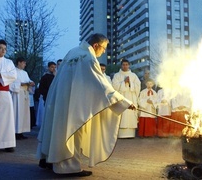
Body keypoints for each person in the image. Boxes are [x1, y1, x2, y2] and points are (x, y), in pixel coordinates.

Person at [36, 33, 135, 177]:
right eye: (103, 48)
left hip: (59, 99)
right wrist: (124, 102)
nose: (103, 52)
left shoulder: (73, 52)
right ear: (96, 46)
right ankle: (67, 167)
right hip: (74, 103)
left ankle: (48, 159)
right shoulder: (88, 58)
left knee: (56, 128)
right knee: (75, 129)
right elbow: (101, 86)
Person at [112, 59, 141, 138]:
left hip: (131, 97)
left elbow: (138, 86)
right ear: (121, 65)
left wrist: (130, 83)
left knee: (130, 114)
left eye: (126, 64)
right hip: (121, 98)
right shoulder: (117, 75)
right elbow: (114, 87)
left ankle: (131, 134)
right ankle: (120, 134)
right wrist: (124, 82)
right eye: (123, 64)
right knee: (122, 114)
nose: (125, 66)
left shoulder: (134, 75)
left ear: (129, 65)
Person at [10, 57, 35, 140]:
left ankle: (21, 131)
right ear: (19, 63)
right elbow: (11, 83)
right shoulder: (13, 71)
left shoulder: (25, 73)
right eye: (24, 63)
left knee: (24, 114)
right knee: (17, 113)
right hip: (17, 95)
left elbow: (28, 80)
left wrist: (31, 83)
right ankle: (14, 132)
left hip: (24, 94)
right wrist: (21, 84)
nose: (25, 64)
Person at [36, 61, 56, 126]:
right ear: (48, 67)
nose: (53, 69)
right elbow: (41, 88)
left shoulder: (55, 76)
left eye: (54, 67)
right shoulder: (44, 77)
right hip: (47, 96)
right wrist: (46, 94)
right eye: (52, 67)